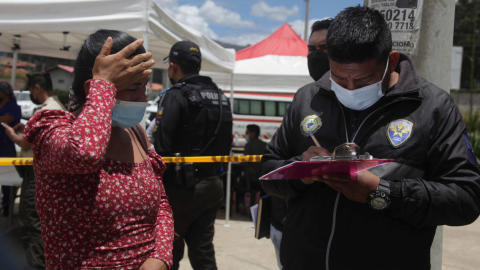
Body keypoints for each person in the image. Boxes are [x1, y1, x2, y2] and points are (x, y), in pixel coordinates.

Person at [260, 6, 480, 270]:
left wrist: (381, 192)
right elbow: (267, 171)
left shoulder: (433, 107)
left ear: (392, 60)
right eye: (339, 78)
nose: (350, 88)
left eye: (364, 80)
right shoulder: (308, 98)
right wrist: (302, 172)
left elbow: (466, 199)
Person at [22, 29, 174, 270]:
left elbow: (162, 203)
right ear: (92, 88)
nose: (144, 98)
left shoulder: (135, 133)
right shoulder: (52, 128)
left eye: (145, 87)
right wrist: (104, 84)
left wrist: (160, 257)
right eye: (133, 88)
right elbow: (84, 155)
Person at [153, 41, 233, 270]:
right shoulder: (220, 96)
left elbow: (162, 146)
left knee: (167, 252)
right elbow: (227, 143)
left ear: (174, 66)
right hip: (212, 185)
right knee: (203, 250)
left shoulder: (175, 95)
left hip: (180, 189)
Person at [4, 72, 66, 270]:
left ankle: (36, 264)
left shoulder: (47, 110)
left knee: (32, 223)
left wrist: (13, 135)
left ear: (37, 88)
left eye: (31, 90)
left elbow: (25, 142)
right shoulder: (54, 108)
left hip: (37, 174)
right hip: (41, 172)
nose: (31, 94)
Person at [0, 81, 21, 217]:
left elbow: (10, 118)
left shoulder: (14, 107)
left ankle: (7, 203)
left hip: (6, 146)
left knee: (7, 176)